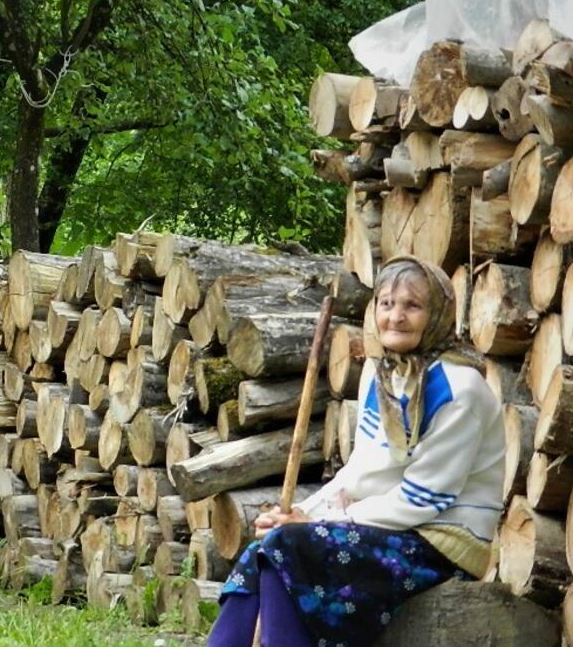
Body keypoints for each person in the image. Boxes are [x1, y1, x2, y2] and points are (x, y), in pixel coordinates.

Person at [206, 255, 506, 647]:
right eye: (386, 304)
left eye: (412, 306)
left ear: (438, 315)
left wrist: (317, 524)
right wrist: (299, 516)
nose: (395, 317)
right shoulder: (382, 377)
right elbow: (360, 470)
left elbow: (424, 499)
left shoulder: (460, 389)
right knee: (266, 547)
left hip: (441, 543)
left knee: (289, 548)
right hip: (385, 528)